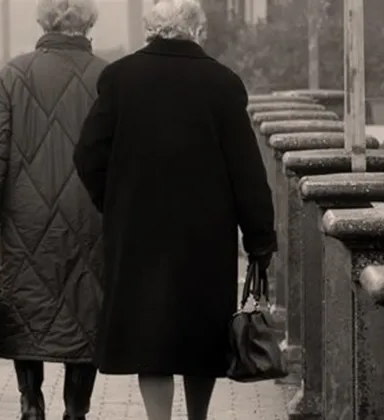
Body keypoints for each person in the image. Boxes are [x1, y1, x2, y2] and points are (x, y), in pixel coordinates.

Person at [72, 0, 276, 419]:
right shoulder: (222, 83)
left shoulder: (120, 78)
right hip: (205, 234)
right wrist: (260, 239)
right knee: (200, 333)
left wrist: (114, 202)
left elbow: (88, 153)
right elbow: (247, 171)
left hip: (138, 231)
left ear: (151, 29)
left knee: (151, 335)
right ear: (197, 30)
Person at [0, 1, 106, 419]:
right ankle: (76, 409)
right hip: (92, 221)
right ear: (89, 20)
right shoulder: (108, 78)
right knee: (86, 313)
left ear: (43, 19)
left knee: (27, 309)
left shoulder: (11, 77)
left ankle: (30, 401)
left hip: (25, 222)